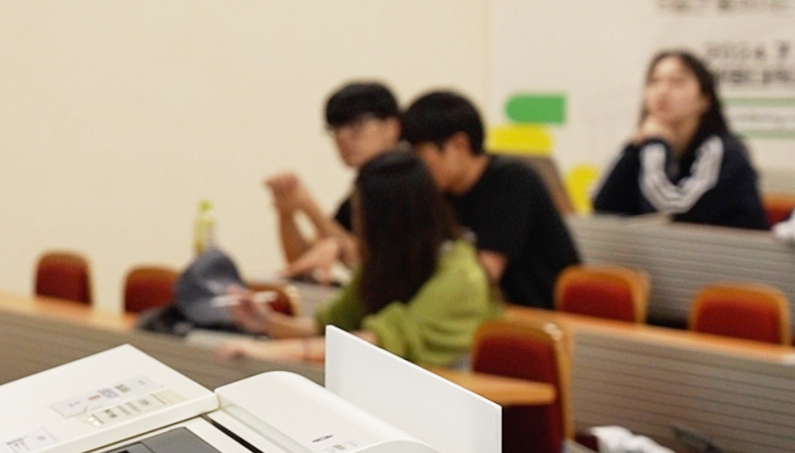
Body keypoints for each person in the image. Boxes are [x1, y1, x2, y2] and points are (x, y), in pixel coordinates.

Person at [226, 149, 497, 368]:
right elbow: (326, 327)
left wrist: (268, 352)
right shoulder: (385, 263)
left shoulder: (461, 274)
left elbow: (375, 344)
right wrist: (266, 322)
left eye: (362, 215)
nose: (358, 227)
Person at [403, 90, 581, 310]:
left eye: (420, 155)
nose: (417, 168)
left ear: (459, 144)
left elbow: (482, 278)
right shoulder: (440, 191)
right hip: (483, 313)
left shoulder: (512, 181)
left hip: (536, 314)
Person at [590, 50, 768, 230]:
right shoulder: (647, 145)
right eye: (654, 81)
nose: (662, 91)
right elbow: (604, 206)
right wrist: (633, 150)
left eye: (677, 82)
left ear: (704, 100)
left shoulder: (721, 150)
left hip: (729, 248)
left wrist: (655, 144)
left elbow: (669, 213)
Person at [265, 81, 401, 279]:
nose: (343, 137)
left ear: (391, 127)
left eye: (356, 124)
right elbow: (302, 260)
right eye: (336, 128)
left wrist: (309, 207)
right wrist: (286, 213)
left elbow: (370, 261)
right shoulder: (363, 187)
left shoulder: (408, 182)